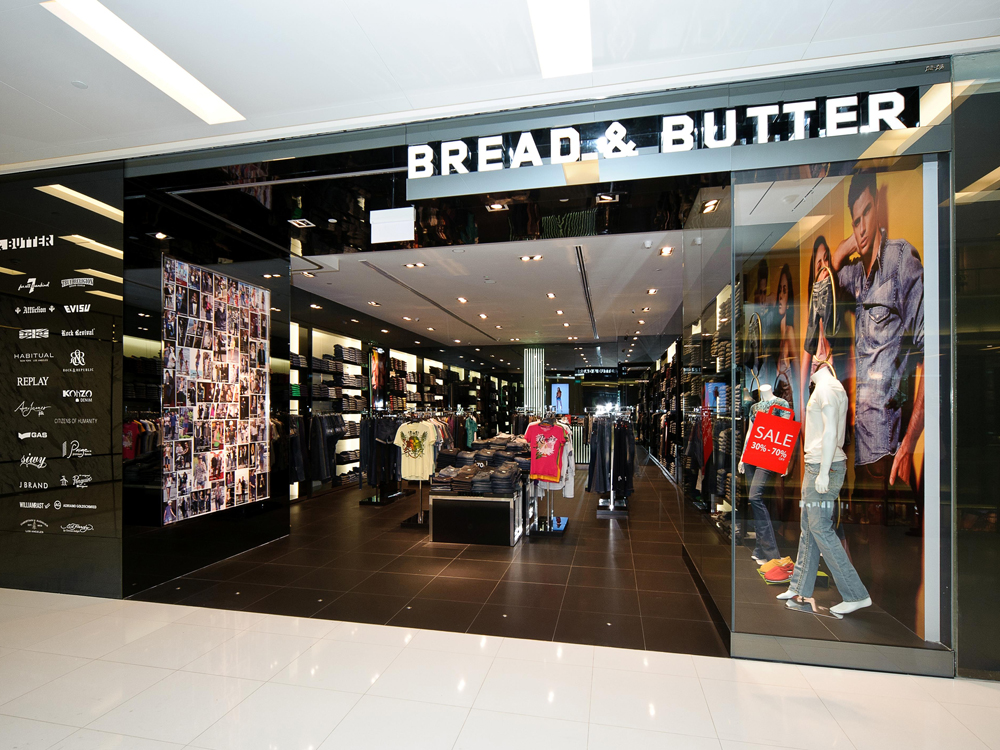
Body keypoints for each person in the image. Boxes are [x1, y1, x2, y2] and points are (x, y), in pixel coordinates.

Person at [831, 171, 925, 527]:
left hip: (888, 445)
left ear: (878, 207)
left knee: (884, 543)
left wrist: (909, 441)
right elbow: (827, 279)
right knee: (866, 539)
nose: (862, 227)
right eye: (855, 220)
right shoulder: (857, 276)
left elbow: (932, 352)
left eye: (867, 212)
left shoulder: (901, 259)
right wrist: (849, 244)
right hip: (862, 443)